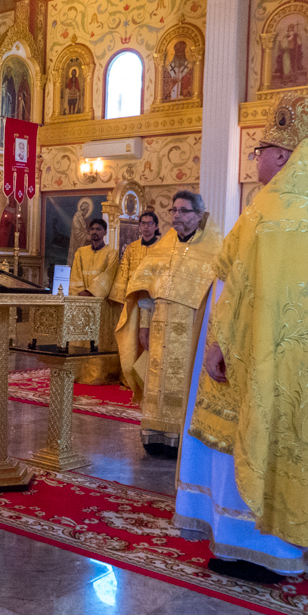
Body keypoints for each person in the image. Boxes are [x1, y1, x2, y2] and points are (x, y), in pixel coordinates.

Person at [174, 93, 308, 584]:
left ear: (283, 155)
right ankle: (286, 546)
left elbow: (239, 288)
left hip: (251, 356)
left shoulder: (268, 211)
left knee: (243, 441)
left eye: (260, 151)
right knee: (289, 446)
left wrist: (218, 347)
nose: (257, 161)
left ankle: (241, 546)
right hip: (305, 368)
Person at [116, 194, 221, 455]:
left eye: (183, 211)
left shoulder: (214, 249)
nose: (176, 216)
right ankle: (154, 437)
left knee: (185, 382)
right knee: (157, 383)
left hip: (191, 332)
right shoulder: (163, 246)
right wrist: (143, 326)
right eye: (173, 210)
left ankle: (180, 440)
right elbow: (146, 292)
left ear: (199, 215)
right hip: (159, 329)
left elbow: (218, 298)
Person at [110, 211, 160, 387]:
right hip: (134, 299)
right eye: (143, 223)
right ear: (139, 227)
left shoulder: (162, 248)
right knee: (132, 337)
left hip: (154, 300)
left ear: (156, 226)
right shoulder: (131, 248)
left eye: (150, 223)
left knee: (151, 337)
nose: (146, 227)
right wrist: (120, 297)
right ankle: (130, 376)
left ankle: (150, 377)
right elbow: (124, 271)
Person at [69, 218, 120, 351]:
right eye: (92, 229)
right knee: (80, 339)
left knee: (98, 340)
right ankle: (79, 366)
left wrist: (91, 292)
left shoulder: (112, 253)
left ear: (105, 232)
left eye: (98, 229)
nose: (95, 232)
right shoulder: (81, 252)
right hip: (82, 302)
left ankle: (98, 369)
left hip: (100, 304)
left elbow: (109, 275)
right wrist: (80, 291)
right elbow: (75, 273)